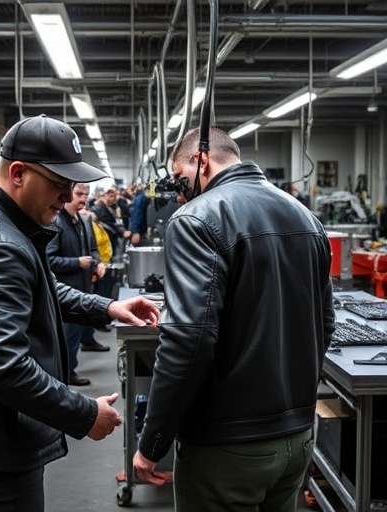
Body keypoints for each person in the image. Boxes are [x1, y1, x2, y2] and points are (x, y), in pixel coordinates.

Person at [0, 113, 160, 512]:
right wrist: (84, 414)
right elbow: (3, 367)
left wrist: (107, 306)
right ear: (18, 173)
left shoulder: (5, 224)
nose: (68, 198)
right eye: (59, 184)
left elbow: (42, 288)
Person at [132, 126, 335, 512]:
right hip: (297, 440)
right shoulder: (308, 218)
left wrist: (152, 442)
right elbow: (324, 324)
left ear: (201, 160)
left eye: (179, 179)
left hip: (226, 449)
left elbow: (188, 343)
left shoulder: (196, 219)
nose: (178, 193)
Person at [46, 183, 109, 387]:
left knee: (75, 335)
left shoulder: (83, 220)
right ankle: (65, 375)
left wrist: (98, 262)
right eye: (79, 194)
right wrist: (76, 263)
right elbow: (49, 260)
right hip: (66, 291)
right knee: (67, 337)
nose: (83, 198)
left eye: (86, 195)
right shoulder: (56, 223)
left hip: (82, 287)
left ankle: (69, 370)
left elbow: (92, 248)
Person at [91, 187, 131, 261]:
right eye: (113, 196)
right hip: (108, 239)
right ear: (108, 196)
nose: (115, 199)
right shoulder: (100, 208)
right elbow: (109, 223)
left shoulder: (107, 207)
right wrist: (122, 231)